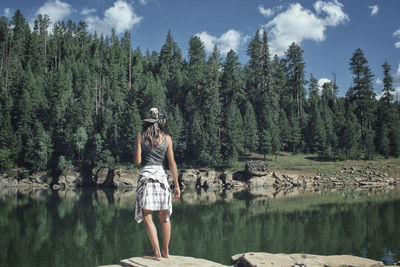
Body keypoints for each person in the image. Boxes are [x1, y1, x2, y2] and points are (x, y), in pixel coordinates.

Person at [133, 107, 181, 261]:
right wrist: (177, 185)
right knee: (164, 216)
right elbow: (172, 163)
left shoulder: (141, 136)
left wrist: (138, 145)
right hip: (161, 178)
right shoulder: (167, 138)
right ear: (161, 122)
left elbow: (137, 161)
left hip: (146, 177)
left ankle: (156, 253)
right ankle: (166, 251)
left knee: (147, 215)